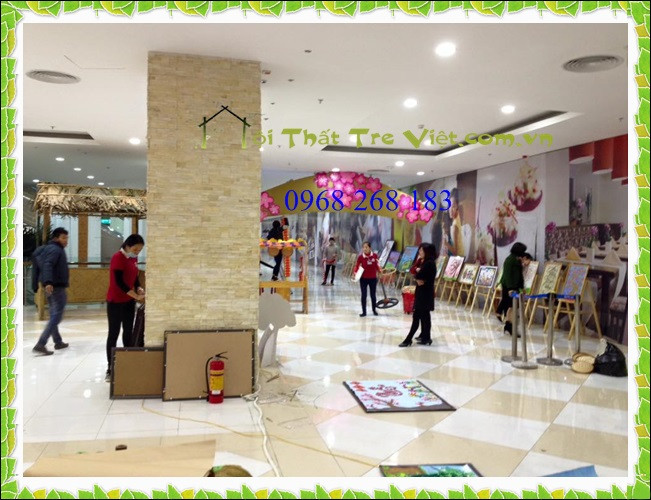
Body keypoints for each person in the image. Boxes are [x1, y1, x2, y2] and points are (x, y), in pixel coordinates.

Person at [105, 234, 145, 381]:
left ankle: (128, 362)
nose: (137, 252)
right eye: (135, 249)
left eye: (139, 250)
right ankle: (110, 367)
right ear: (127, 245)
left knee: (128, 332)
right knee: (113, 333)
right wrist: (135, 295)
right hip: (115, 301)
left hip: (128, 302)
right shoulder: (118, 257)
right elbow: (119, 282)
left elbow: (134, 277)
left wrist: (138, 287)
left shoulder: (133, 258)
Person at [32, 227, 71, 355]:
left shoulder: (52, 249)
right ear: (56, 238)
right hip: (56, 286)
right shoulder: (55, 249)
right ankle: (41, 343)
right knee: (56, 315)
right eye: (63, 238)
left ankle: (58, 342)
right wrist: (48, 282)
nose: (66, 241)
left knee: (54, 314)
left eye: (67, 238)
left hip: (51, 286)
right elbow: (48, 264)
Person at [399, 244, 437, 347]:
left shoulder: (429, 263)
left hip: (425, 294)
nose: (419, 252)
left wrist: (418, 274)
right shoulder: (423, 261)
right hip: (422, 292)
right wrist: (417, 273)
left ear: (427, 252)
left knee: (417, 316)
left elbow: (420, 275)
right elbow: (414, 272)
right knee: (425, 317)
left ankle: (408, 339)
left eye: (421, 251)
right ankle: (426, 338)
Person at [496, 242, 527, 335]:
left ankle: (508, 326)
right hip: (508, 286)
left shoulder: (517, 259)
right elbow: (508, 275)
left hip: (515, 287)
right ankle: (509, 326)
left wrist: (522, 288)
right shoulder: (509, 260)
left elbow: (520, 275)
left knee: (513, 307)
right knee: (511, 307)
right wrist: (510, 288)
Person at [353, 241, 381, 317]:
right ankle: (364, 312)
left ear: (370, 248)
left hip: (373, 279)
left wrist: (379, 271)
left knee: (373, 295)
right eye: (363, 247)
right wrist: (355, 273)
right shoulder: (361, 257)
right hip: (363, 279)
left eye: (366, 247)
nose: (364, 249)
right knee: (364, 295)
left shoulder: (374, 256)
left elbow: (377, 265)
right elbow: (357, 266)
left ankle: (374, 310)